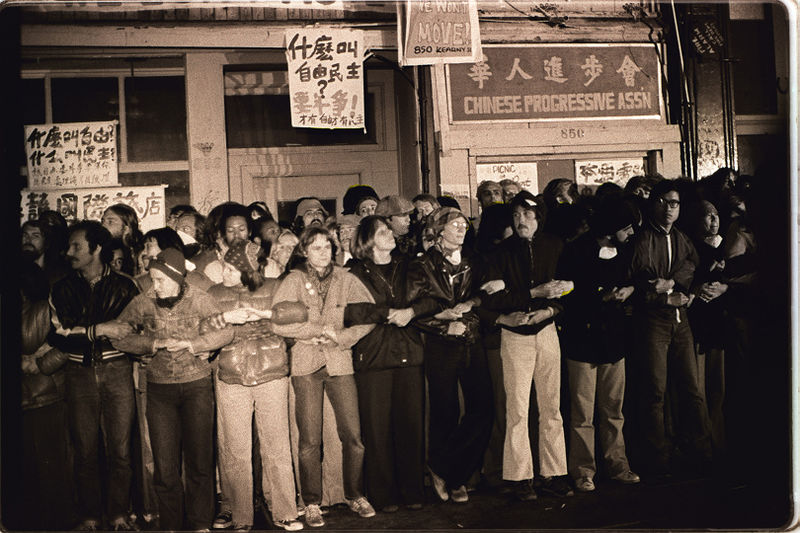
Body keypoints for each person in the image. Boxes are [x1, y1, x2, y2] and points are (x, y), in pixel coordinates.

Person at [114, 248, 234, 531]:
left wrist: (195, 345)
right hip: (159, 391)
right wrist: (150, 344)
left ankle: (201, 523)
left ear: (177, 278)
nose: (154, 286)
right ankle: (171, 525)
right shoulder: (143, 302)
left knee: (200, 462)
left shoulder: (201, 299)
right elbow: (118, 335)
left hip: (196, 387)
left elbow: (226, 330)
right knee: (165, 466)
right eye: (153, 279)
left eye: (160, 280)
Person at [271, 227, 376, 528]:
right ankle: (312, 502)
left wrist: (341, 337)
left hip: (339, 362)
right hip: (306, 365)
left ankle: (354, 494)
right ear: (304, 251)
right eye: (315, 247)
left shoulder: (346, 278)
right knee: (309, 440)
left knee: (353, 436)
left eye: (327, 246)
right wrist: (316, 331)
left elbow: (371, 315)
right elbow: (277, 323)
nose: (322, 252)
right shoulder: (293, 279)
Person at [205, 240, 306, 531]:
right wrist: (224, 318)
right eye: (224, 267)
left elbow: (300, 312)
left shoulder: (274, 287)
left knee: (277, 446)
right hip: (231, 376)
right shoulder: (213, 293)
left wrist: (267, 317)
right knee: (235, 450)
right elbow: (199, 327)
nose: (223, 272)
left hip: (271, 373)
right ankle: (241, 517)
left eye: (229, 268)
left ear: (247, 270)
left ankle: (285, 512)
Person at [48, 220, 140, 531]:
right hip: (78, 374)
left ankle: (118, 515)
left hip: (118, 371)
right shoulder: (61, 288)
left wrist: (99, 332)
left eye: (77, 246)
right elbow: (59, 335)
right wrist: (100, 329)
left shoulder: (126, 286)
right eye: (68, 246)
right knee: (84, 450)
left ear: (96, 248)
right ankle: (89, 517)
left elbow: (134, 330)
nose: (69, 252)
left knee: (121, 451)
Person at [481, 191, 573, 501]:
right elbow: (492, 300)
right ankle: (520, 477)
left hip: (547, 331)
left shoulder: (555, 246)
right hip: (515, 335)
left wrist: (550, 310)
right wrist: (533, 294)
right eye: (517, 215)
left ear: (539, 218)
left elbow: (567, 290)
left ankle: (554, 473)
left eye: (528, 214)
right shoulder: (499, 253)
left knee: (552, 406)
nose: (521, 220)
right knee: (518, 409)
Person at [407, 206, 493, 504]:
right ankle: (453, 477)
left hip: (472, 339)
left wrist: (472, 307)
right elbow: (414, 311)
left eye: (463, 225)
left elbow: (482, 297)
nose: (461, 229)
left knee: (483, 408)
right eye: (454, 225)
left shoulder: (473, 260)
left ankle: (446, 468)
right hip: (440, 345)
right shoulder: (421, 265)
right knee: (445, 411)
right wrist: (445, 327)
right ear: (439, 230)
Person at [628, 179, 711, 477]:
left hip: (681, 321)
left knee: (692, 389)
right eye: (663, 202)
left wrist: (675, 284)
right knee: (655, 392)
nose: (668, 209)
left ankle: (698, 453)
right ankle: (657, 459)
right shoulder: (641, 240)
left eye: (674, 203)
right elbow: (636, 284)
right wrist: (662, 296)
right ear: (653, 204)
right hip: (654, 322)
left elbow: (693, 263)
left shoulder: (681, 237)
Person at [558, 197, 641, 493]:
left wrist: (630, 289)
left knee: (614, 409)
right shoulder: (576, 250)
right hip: (582, 340)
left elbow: (635, 279)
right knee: (583, 413)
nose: (631, 233)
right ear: (612, 226)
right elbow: (566, 294)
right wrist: (599, 297)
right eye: (627, 227)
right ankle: (583, 470)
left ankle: (617, 464)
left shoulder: (626, 250)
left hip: (614, 340)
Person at [344, 216, 426, 513]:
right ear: (368, 240)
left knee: (411, 426)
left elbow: (432, 299)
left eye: (390, 230)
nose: (391, 234)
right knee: (376, 430)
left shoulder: (409, 265)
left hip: (409, 355)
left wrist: (412, 312)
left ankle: (413, 490)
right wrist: (388, 313)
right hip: (373, 358)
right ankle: (383, 495)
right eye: (383, 231)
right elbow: (351, 311)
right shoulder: (353, 273)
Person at [19, 261, 75, 531]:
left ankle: (58, 523)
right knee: (28, 469)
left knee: (51, 468)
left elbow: (66, 345)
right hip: (23, 399)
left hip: (45, 396)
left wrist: (39, 364)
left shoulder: (43, 309)